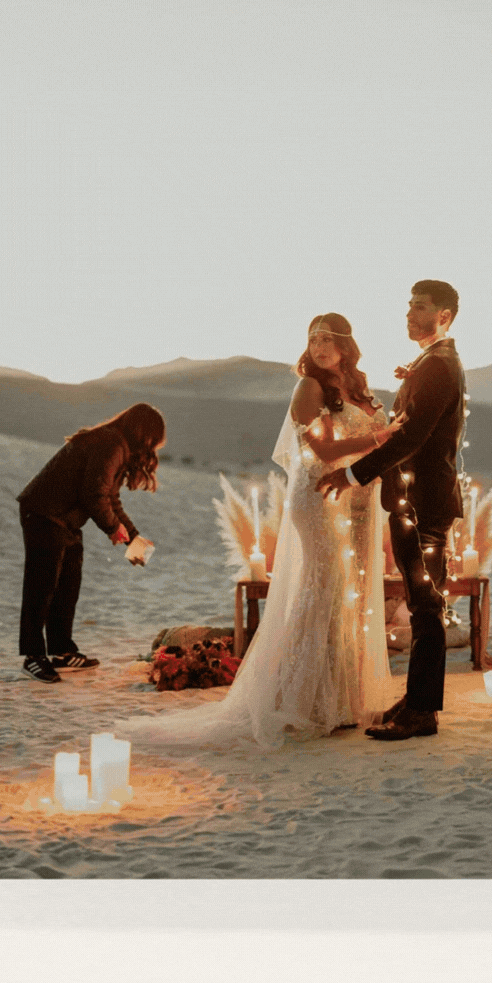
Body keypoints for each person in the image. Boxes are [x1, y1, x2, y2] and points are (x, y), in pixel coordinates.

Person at [115, 315, 402, 751]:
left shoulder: (361, 391)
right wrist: (382, 440)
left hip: (360, 504)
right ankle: (306, 702)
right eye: (313, 339)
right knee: (326, 589)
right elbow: (321, 450)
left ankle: (345, 700)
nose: (320, 346)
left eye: (329, 338)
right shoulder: (309, 388)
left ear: (347, 344)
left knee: (356, 597)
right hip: (321, 498)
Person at [319, 281, 466, 741]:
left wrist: (352, 475)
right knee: (424, 604)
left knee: (425, 606)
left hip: (422, 507)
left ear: (443, 315)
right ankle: (418, 700)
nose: (408, 313)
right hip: (415, 501)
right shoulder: (431, 363)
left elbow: (413, 437)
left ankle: (422, 713)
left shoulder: (439, 365)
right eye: (408, 304)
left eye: (419, 307)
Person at [17, 403, 166, 682]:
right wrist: (112, 529)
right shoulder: (111, 443)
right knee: (42, 587)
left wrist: (133, 539)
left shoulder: (116, 445)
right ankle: (33, 657)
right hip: (44, 513)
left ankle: (62, 651)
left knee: (68, 585)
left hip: (66, 519)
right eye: (152, 441)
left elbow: (111, 498)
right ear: (142, 433)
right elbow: (94, 495)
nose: (152, 448)